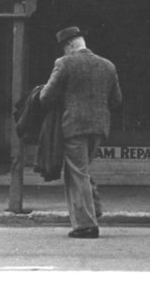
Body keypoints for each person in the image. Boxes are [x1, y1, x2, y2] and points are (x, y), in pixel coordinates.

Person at [40, 26, 122, 239]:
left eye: (64, 48)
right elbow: (116, 100)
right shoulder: (108, 65)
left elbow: (45, 97)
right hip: (100, 127)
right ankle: (94, 208)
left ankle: (86, 225)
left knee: (76, 174)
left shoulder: (64, 63)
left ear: (69, 45)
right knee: (82, 170)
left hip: (74, 126)